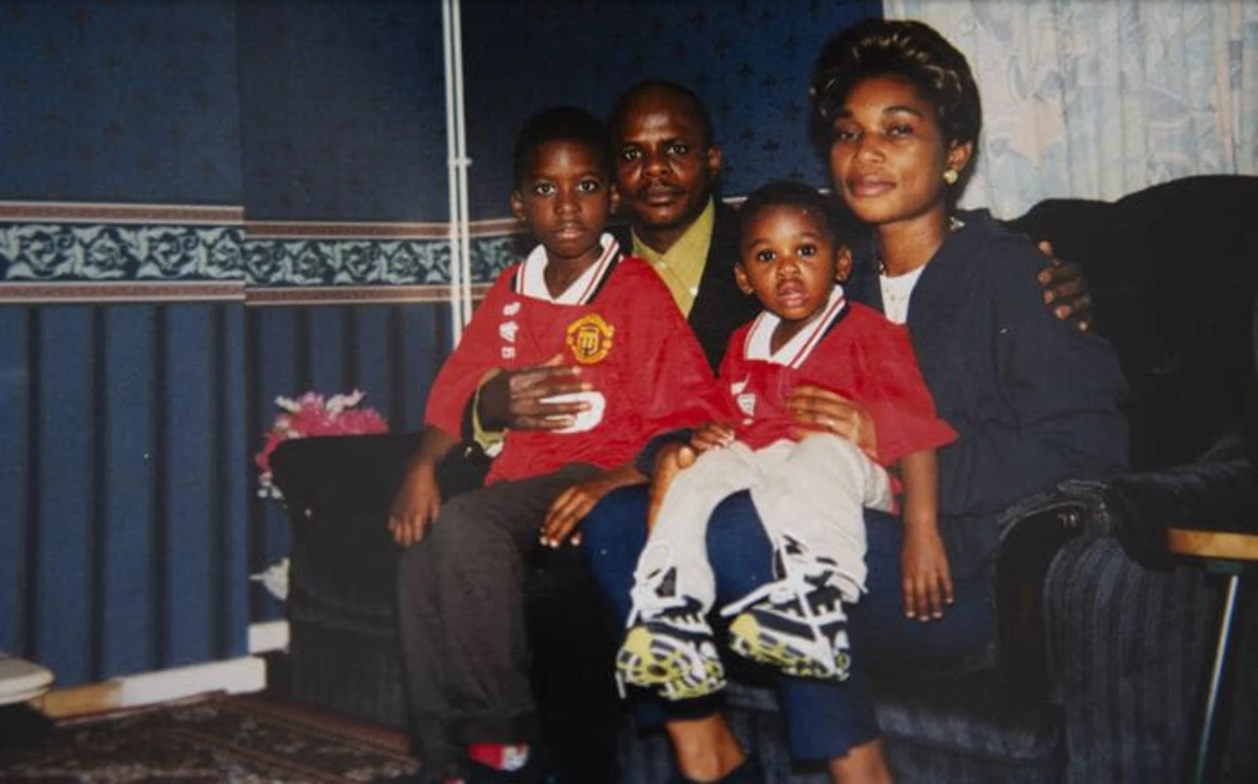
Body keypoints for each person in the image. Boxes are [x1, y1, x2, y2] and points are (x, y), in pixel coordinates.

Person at [581, 19, 1130, 784]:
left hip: (948, 569)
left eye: (897, 131)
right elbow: (734, 397)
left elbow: (1093, 448)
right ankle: (707, 756)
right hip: (823, 534)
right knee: (614, 522)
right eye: (847, 133)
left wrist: (893, 448)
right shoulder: (825, 276)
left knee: (752, 526)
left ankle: (860, 768)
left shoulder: (1013, 276)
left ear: (956, 155)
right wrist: (677, 450)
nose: (865, 152)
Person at [385, 106, 715, 784]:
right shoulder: (509, 293)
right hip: (522, 486)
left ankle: (501, 741)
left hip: (594, 475)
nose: (567, 206)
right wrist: (421, 467)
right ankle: (444, 761)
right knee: (421, 557)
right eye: (545, 190)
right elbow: (457, 391)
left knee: (470, 522)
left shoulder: (633, 291)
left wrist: (620, 476)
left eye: (587, 187)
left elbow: (690, 412)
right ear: (518, 205)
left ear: (613, 197)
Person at [615, 181, 956, 704]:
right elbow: (725, 415)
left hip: (853, 479)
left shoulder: (868, 333)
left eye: (806, 250)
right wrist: (709, 435)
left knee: (819, 449)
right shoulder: (741, 343)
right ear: (744, 277)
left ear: (841, 263)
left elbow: (917, 433)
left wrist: (923, 531)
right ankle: (673, 611)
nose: (788, 268)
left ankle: (816, 601)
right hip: (765, 467)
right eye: (766, 256)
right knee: (697, 470)